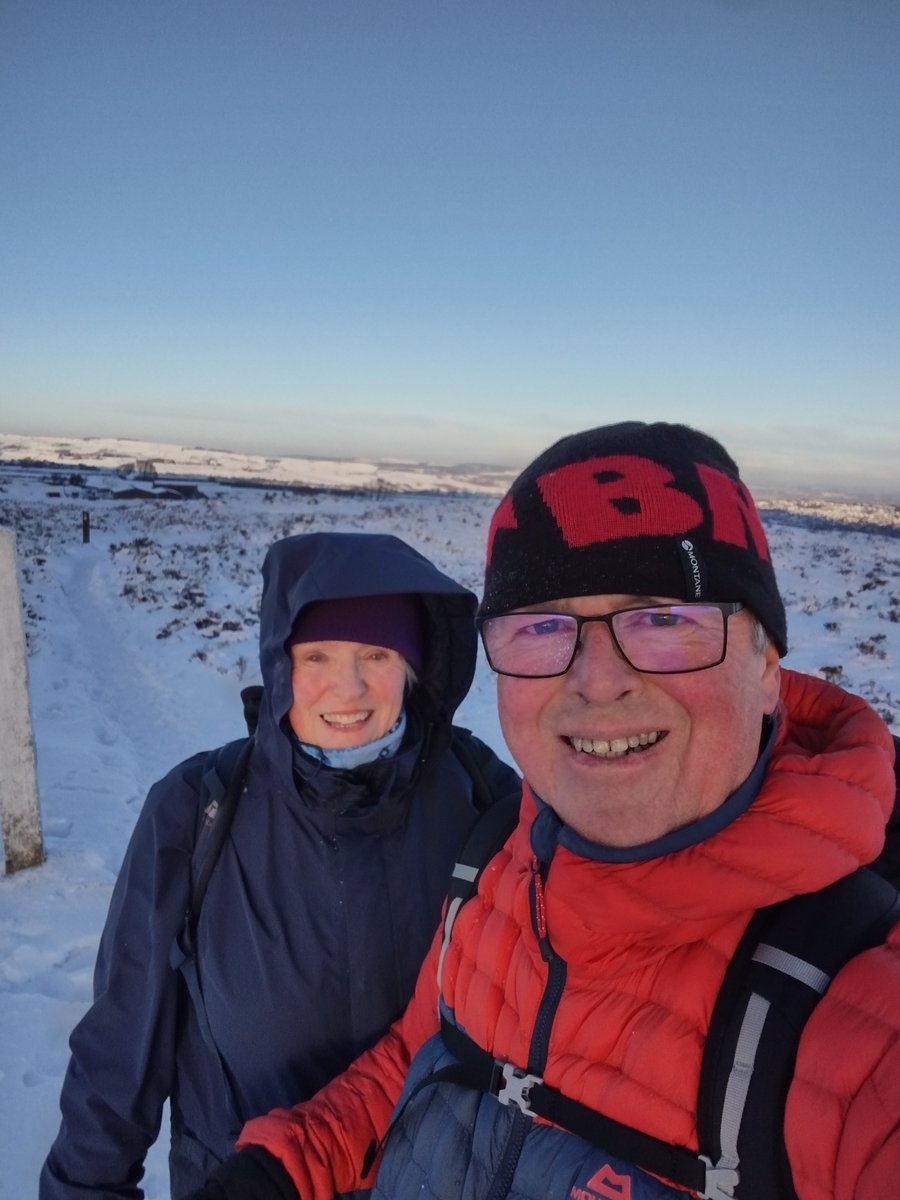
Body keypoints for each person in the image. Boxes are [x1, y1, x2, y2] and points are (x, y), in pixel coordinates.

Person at [185, 422, 899, 1200]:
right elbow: (423, 1053)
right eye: (543, 626)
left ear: (764, 667)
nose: (596, 681)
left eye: (663, 619)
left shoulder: (862, 1024)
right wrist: (285, 1165)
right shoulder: (498, 861)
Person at [40, 530, 521, 1200]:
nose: (347, 687)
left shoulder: (484, 798)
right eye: (317, 654)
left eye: (377, 654)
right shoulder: (195, 811)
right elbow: (120, 1053)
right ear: (278, 663)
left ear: (414, 667)